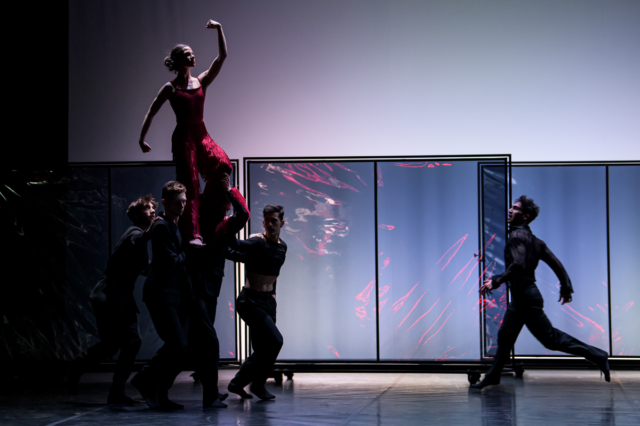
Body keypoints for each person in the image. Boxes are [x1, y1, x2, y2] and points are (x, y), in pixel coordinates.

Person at [472, 195, 610, 389]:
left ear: (525, 216)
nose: (510, 210)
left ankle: (598, 355)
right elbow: (557, 265)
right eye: (511, 207)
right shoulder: (536, 242)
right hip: (523, 298)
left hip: (526, 298)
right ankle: (493, 375)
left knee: (550, 339)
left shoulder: (516, 237)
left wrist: (496, 280)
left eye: (515, 208)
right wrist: (566, 287)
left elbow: (518, 265)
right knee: (505, 336)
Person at [137, 19, 231, 246]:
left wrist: (219, 29)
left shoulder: (201, 81)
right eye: (188, 54)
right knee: (190, 185)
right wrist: (142, 139)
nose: (193, 56)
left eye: (192, 53)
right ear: (178, 61)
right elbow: (151, 112)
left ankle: (216, 207)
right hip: (184, 139)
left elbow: (222, 57)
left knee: (223, 163)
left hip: (201, 134)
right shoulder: (170, 88)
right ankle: (193, 235)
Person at [67, 196, 158, 404]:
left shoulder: (142, 238)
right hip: (109, 295)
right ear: (136, 215)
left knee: (130, 343)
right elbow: (137, 240)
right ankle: (78, 366)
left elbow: (145, 268)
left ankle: (116, 392)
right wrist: (155, 230)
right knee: (112, 346)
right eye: (147, 208)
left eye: (153, 208)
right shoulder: (134, 232)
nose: (152, 210)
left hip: (122, 298)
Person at [186, 187, 250, 408]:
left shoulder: (217, 223)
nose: (228, 206)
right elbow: (244, 215)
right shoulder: (206, 220)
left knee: (202, 343)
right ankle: (209, 395)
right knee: (207, 343)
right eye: (225, 201)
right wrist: (232, 192)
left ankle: (211, 392)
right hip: (196, 290)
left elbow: (222, 250)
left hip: (210, 289)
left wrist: (250, 258)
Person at [130, 181, 191, 410]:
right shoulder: (162, 227)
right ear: (165, 202)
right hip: (160, 294)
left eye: (184, 202)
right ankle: (145, 379)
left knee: (181, 348)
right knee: (177, 344)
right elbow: (171, 263)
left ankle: (161, 392)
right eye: (177, 203)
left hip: (173, 295)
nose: (181, 206)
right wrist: (189, 250)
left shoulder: (173, 225)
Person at [226, 205, 287, 401]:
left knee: (262, 348)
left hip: (268, 301)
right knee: (275, 341)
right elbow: (234, 244)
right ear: (263, 222)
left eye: (274, 220)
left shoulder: (282, 247)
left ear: (282, 223)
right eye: (266, 220)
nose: (270, 224)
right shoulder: (257, 241)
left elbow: (273, 271)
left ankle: (239, 384)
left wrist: (273, 295)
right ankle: (256, 384)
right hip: (250, 301)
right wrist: (231, 223)